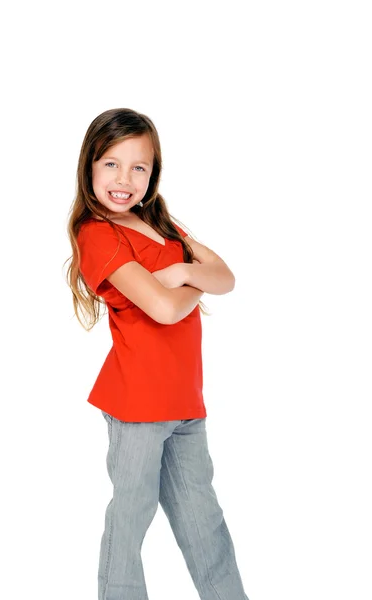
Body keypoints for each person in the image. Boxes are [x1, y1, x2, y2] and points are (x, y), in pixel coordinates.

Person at [66, 107, 250, 600]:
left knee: (205, 524)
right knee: (130, 524)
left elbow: (225, 278)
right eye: (111, 164)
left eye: (138, 167)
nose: (124, 179)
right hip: (138, 406)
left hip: (186, 403)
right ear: (89, 167)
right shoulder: (99, 234)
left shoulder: (161, 223)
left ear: (153, 174)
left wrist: (182, 275)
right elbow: (166, 311)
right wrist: (191, 277)